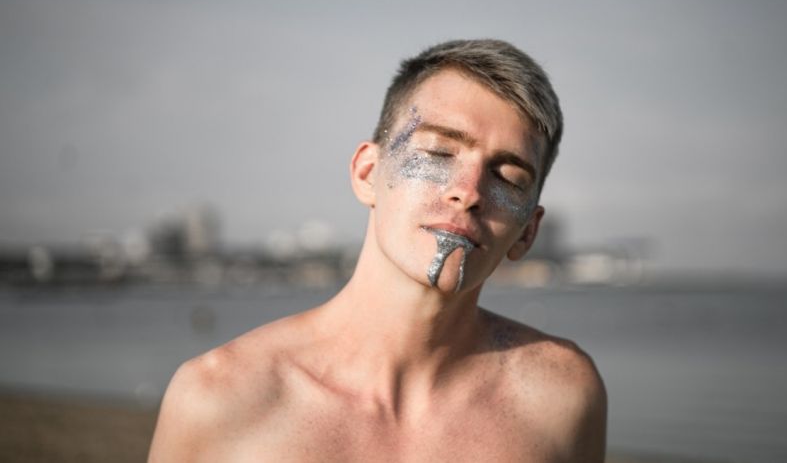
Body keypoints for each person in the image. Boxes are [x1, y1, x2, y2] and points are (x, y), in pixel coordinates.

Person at [148, 39, 606, 462]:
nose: (468, 192)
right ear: (367, 173)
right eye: (440, 152)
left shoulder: (560, 395)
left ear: (527, 232)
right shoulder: (220, 397)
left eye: (508, 177)